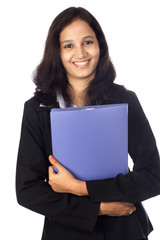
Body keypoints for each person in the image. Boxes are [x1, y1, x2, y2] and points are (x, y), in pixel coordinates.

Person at [16, 7, 160, 240]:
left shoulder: (125, 101)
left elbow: (154, 176)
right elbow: (28, 190)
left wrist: (80, 188)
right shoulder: (37, 109)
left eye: (88, 42)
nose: (80, 53)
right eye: (69, 45)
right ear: (57, 53)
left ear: (100, 46)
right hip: (66, 233)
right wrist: (99, 208)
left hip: (125, 230)